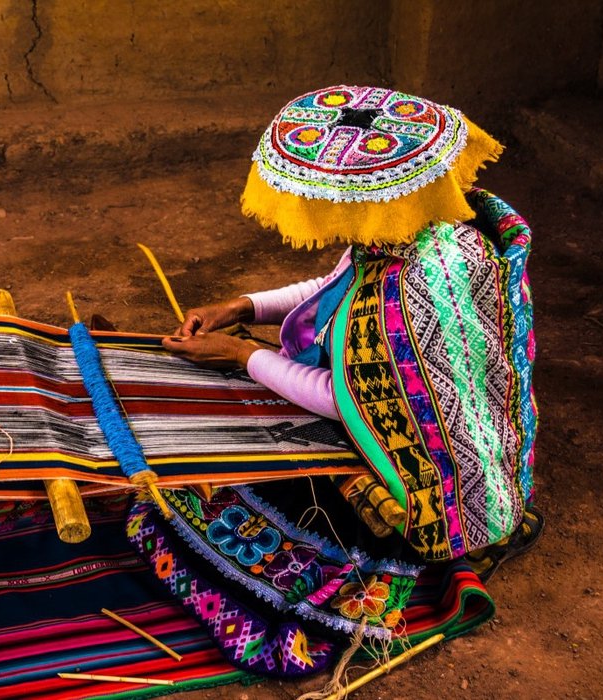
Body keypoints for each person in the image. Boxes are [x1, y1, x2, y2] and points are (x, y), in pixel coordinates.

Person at [127, 85, 541, 678]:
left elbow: (349, 402)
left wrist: (242, 358)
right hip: (411, 413)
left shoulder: (414, 288)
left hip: (419, 461)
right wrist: (241, 308)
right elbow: (336, 286)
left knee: (193, 518)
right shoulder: (428, 224)